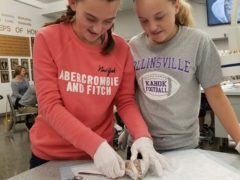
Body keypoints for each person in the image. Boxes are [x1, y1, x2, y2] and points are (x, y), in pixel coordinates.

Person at [30, 0, 169, 178]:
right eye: (90, 18)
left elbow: (125, 101)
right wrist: (95, 145)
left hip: (101, 158)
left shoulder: (121, 49)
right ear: (73, 3)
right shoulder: (48, 38)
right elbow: (49, 106)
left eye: (108, 21)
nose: (97, 29)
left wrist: (142, 136)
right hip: (51, 156)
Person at [119, 0, 240, 156]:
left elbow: (216, 96)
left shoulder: (198, 42)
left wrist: (238, 139)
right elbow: (130, 97)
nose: (152, 27)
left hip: (183, 147)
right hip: (142, 146)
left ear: (176, 6)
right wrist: (128, 130)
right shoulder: (134, 46)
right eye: (143, 21)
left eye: (160, 17)